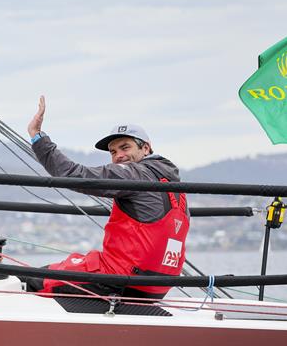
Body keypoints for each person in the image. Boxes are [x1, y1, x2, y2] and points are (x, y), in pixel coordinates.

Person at [25, 96, 189, 299]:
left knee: (34, 280)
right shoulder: (176, 186)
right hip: (158, 285)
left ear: (146, 148)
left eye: (125, 147)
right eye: (113, 151)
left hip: (120, 278)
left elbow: (74, 175)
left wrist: (37, 137)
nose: (118, 155)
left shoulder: (133, 173)